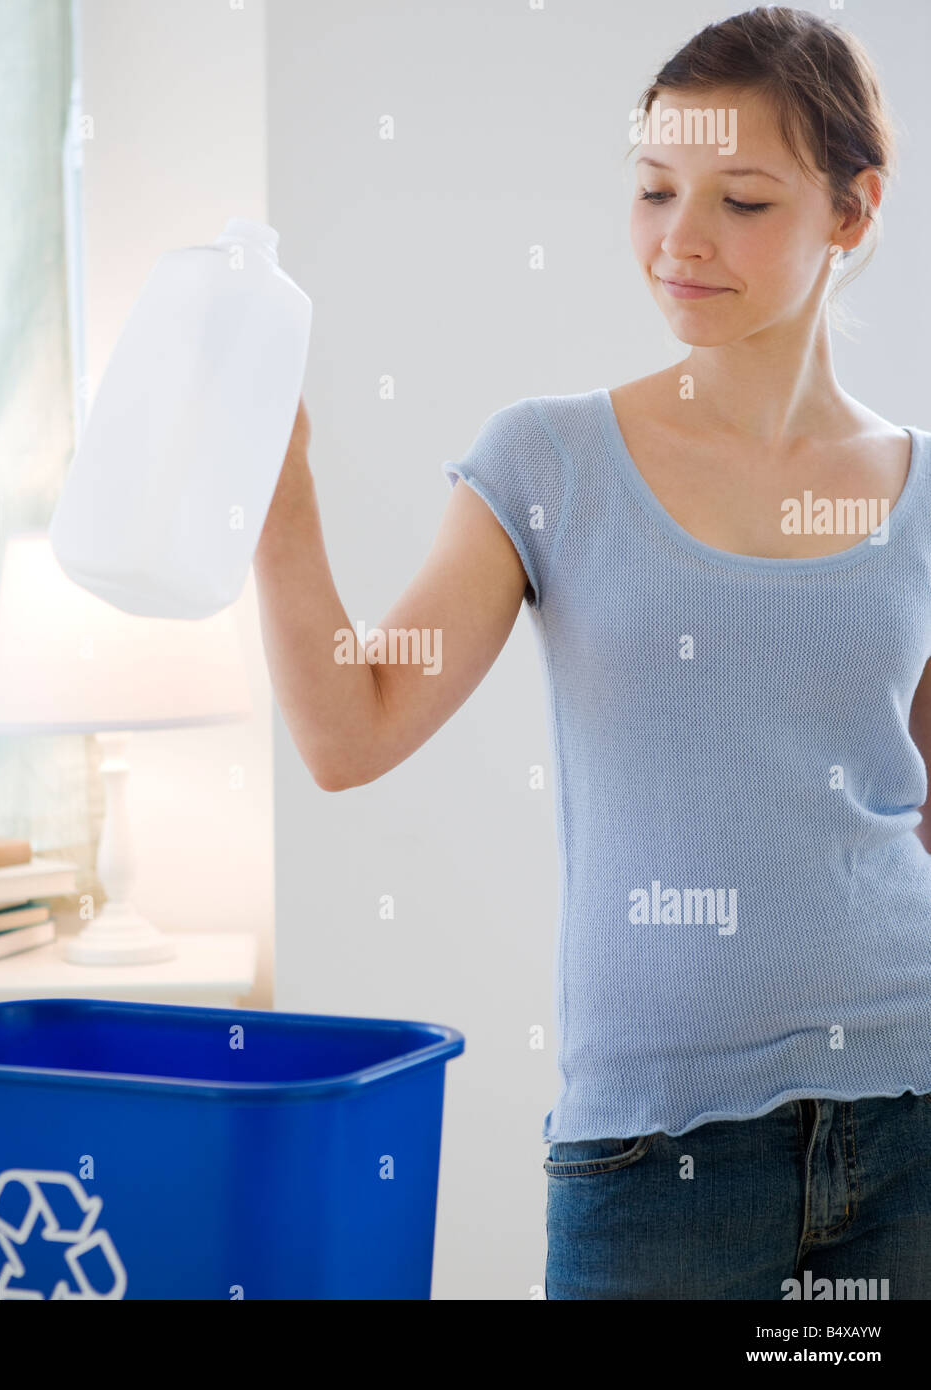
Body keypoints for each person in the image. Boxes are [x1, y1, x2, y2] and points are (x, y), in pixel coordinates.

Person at [253, 6, 931, 1299]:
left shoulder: (918, 490)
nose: (678, 239)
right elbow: (353, 725)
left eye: (740, 199)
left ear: (849, 214)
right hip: (652, 1147)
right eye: (651, 189)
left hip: (910, 1109)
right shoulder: (547, 461)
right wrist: (272, 493)